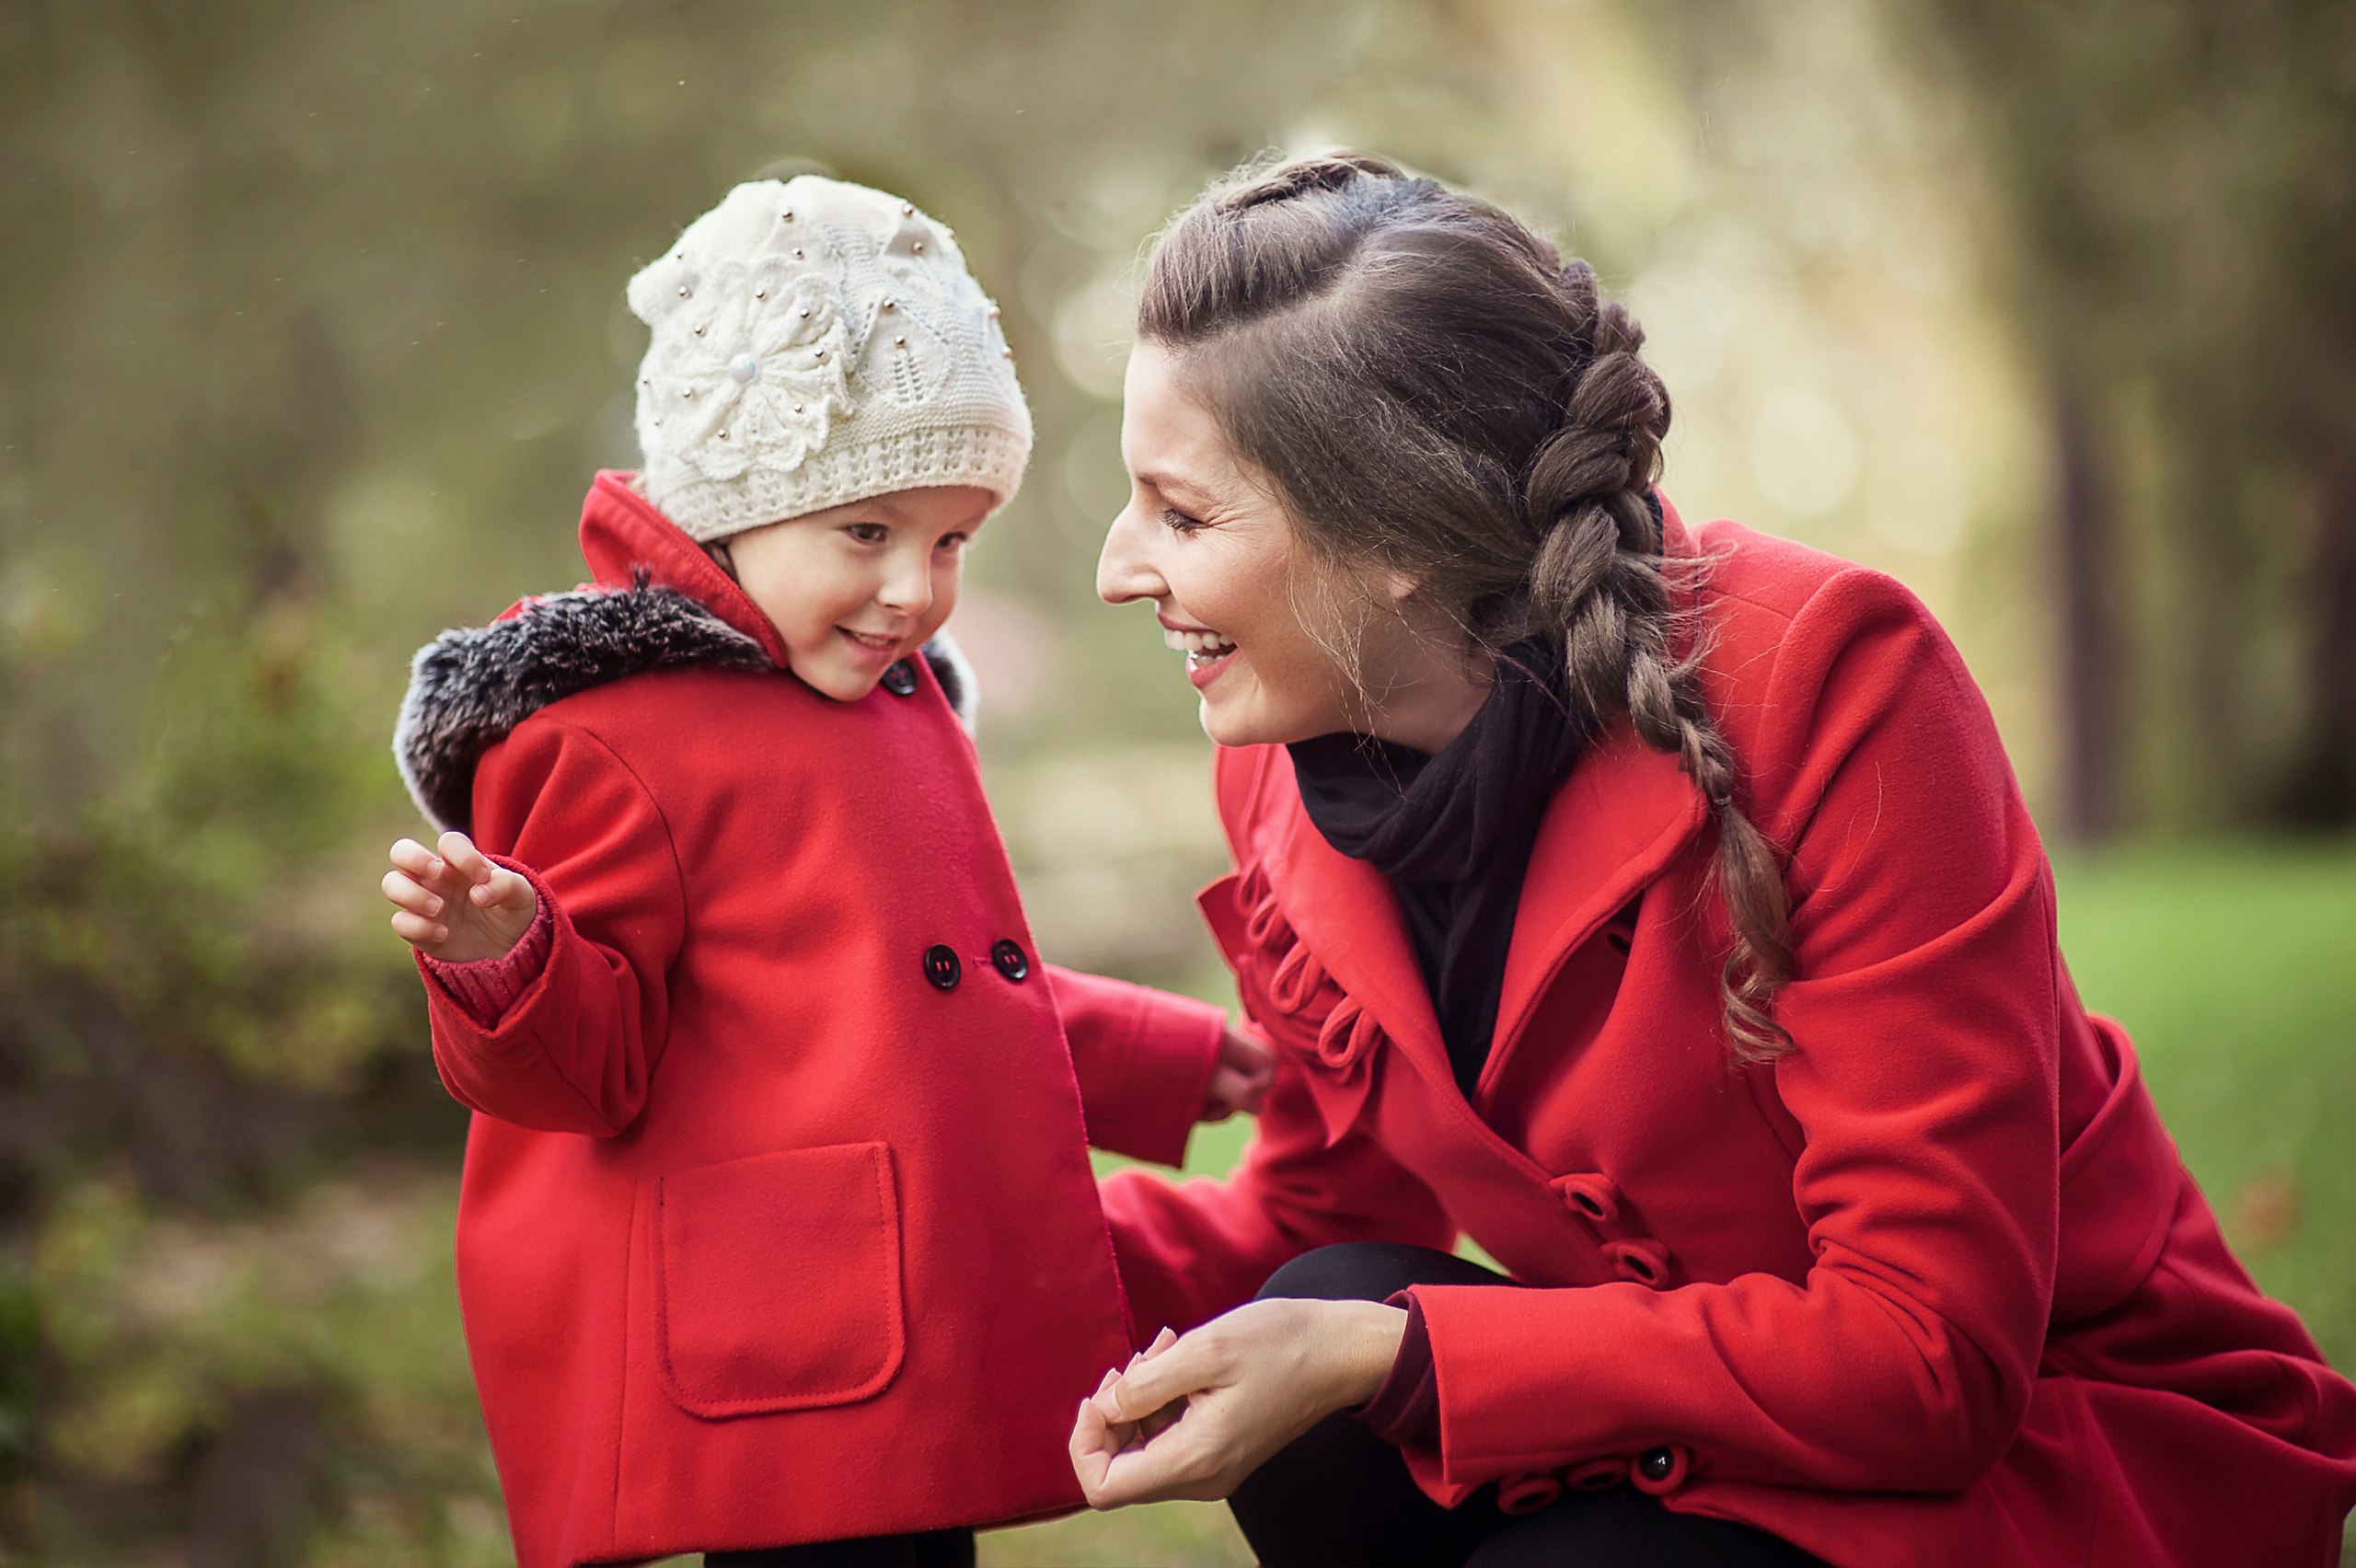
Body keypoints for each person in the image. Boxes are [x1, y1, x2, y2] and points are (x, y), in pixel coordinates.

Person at [1068, 154, 2356, 1567]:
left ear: (1391, 533)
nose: (1118, 568)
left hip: (2055, 1453)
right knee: (1325, 1351)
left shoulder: (1836, 681)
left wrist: (1404, 1354)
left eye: (1183, 515)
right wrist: (952, 1238)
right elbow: (1316, 1215)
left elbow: (1931, 1358)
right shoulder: (1275, 757)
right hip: (1697, 1433)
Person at [376, 175, 1273, 1568]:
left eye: (950, 540)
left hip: (886, 1291)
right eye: (867, 532)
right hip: (781, 1314)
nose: (915, 590)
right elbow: (588, 1079)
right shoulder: (610, 733)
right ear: (732, 504)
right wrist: (508, 960)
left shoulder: (884, 693)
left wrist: (1161, 1055)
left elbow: (904, 992)